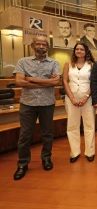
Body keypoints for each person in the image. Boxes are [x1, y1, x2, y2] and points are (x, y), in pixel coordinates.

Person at [13, 36, 61, 180]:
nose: (41, 46)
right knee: (25, 135)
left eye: (44, 44)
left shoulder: (54, 62)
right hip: (28, 104)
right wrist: (46, 82)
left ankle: (46, 158)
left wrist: (31, 78)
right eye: (38, 44)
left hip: (47, 103)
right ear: (33, 46)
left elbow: (55, 82)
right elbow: (19, 82)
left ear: (47, 47)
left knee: (47, 134)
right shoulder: (23, 61)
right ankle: (22, 163)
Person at [62, 43, 96, 163]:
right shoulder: (68, 64)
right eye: (77, 49)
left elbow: (94, 82)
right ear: (74, 50)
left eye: (82, 49)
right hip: (71, 99)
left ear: (86, 51)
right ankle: (74, 152)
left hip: (88, 99)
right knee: (72, 126)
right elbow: (65, 81)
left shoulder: (91, 65)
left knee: (89, 126)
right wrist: (71, 98)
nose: (79, 51)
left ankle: (90, 152)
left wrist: (86, 97)